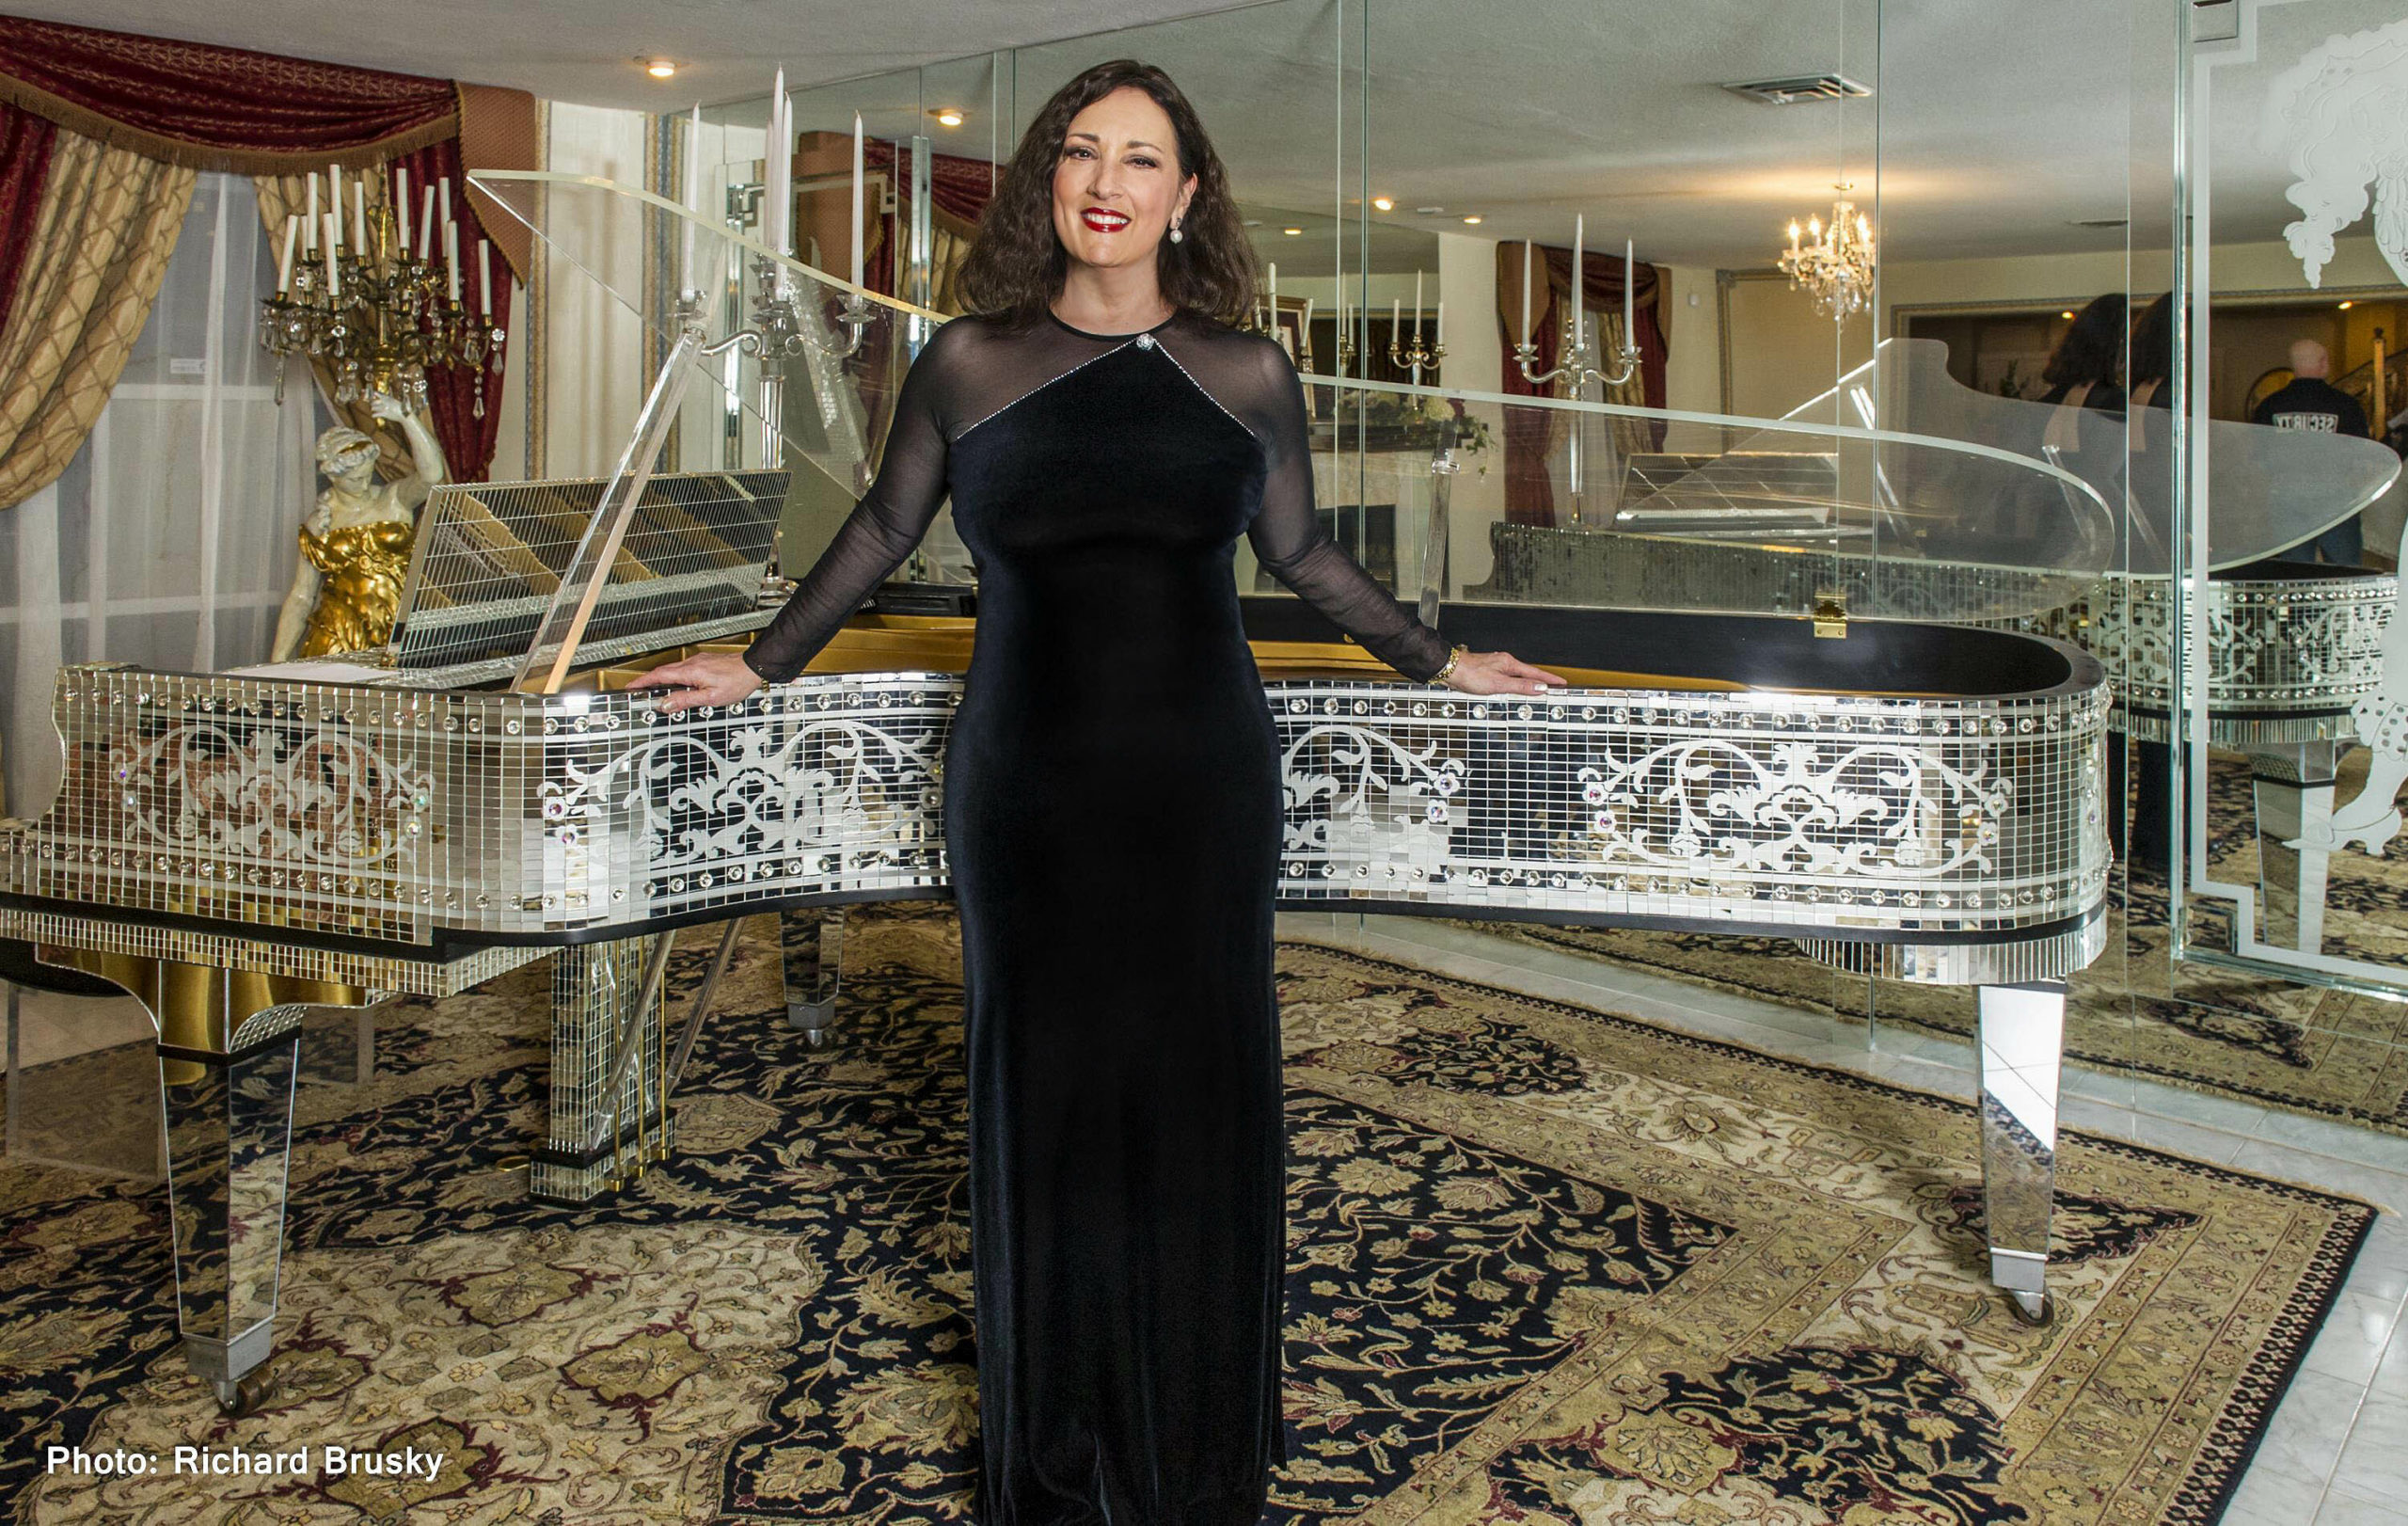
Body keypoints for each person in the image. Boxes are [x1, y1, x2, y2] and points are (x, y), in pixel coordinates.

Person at [633, 59, 1562, 1526]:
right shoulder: (966, 362)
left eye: (1141, 159)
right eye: (1082, 153)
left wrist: (1444, 665)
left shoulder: (1247, 370)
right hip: (1026, 784)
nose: (1108, 182)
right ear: (1047, 182)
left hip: (1200, 779)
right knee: (1045, 1097)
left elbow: (1307, 556)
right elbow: (883, 527)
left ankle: (1194, 1442)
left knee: (1199, 1090)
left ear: (1188, 197)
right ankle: (1057, 1454)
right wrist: (760, 666)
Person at [269, 391, 448, 660]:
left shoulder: (395, 500)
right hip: (337, 635)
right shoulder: (320, 522)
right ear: (331, 475)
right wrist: (277, 662)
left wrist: (405, 417)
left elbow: (432, 474)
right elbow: (302, 595)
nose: (364, 485)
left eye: (367, 476)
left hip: (396, 633)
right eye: (354, 480)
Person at [2252, 338, 2372, 564]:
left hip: (2286, 498)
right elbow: (2362, 453)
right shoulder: (2346, 406)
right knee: (2344, 575)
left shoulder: (2270, 406)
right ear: (2324, 362)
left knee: (2294, 574)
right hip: (2337, 500)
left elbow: (2261, 456)